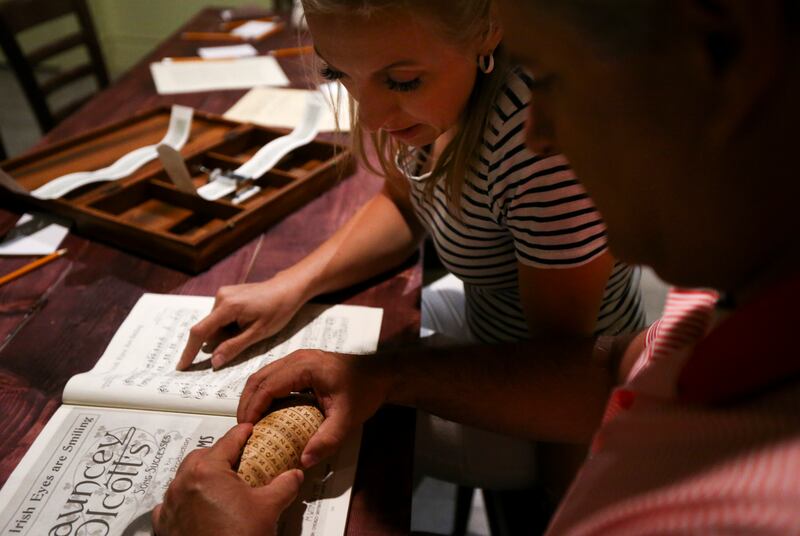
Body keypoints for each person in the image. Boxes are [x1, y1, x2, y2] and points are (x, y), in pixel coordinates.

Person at [155, 0, 800, 534]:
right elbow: (609, 372)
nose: (543, 133)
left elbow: (561, 358)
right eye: (336, 72)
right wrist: (315, 308)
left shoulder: (739, 507)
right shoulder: (707, 312)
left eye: (553, 79)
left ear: (725, 52)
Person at [176, 0, 644, 491]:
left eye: (402, 82)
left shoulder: (538, 143)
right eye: (338, 73)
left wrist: (561, 514)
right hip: (488, 327)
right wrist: (290, 285)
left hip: (554, 407)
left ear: (490, 29)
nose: (370, 117)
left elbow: (562, 374)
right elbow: (403, 203)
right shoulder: (440, 93)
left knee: (353, 438)